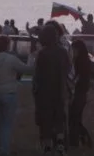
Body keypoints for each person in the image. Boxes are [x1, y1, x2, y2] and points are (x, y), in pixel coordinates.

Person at [0, 36, 36, 156]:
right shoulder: (11, 59)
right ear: (8, 45)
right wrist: (31, 57)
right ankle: (4, 151)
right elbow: (28, 70)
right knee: (6, 125)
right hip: (9, 95)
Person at [33, 23, 73, 155]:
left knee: (46, 120)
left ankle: (48, 147)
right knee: (60, 118)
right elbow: (68, 68)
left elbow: (37, 74)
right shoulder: (62, 51)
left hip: (44, 91)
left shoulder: (42, 53)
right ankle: (61, 144)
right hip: (60, 89)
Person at [68, 40, 93, 148]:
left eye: (74, 49)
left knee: (73, 117)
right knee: (75, 118)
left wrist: (71, 83)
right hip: (82, 92)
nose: (73, 51)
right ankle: (80, 140)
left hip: (79, 92)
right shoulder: (85, 60)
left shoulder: (80, 61)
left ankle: (78, 140)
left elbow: (78, 77)